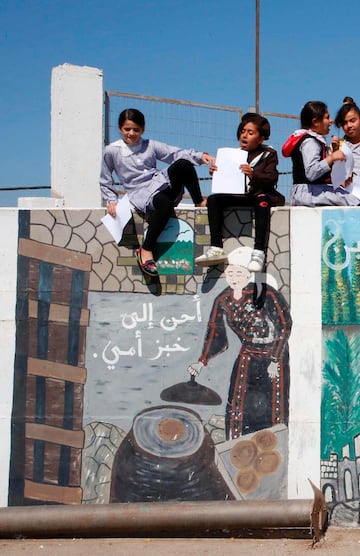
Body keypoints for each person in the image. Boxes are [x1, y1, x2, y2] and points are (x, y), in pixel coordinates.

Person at [188, 247, 292, 439]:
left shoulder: (267, 294)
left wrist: (276, 360)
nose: (234, 277)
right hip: (247, 354)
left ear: (248, 275)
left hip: (273, 356)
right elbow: (214, 331)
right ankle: (237, 448)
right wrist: (201, 362)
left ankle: (274, 448)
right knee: (238, 402)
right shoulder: (223, 299)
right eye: (230, 273)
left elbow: (284, 326)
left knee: (273, 405)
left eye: (239, 273)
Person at [100, 108, 213, 277]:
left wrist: (201, 156)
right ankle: (146, 250)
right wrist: (111, 199)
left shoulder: (150, 145)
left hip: (159, 182)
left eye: (136, 130)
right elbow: (105, 177)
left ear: (143, 129)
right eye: (127, 129)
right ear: (120, 128)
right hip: (140, 194)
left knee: (183, 163)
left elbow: (174, 153)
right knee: (164, 203)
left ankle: (198, 201)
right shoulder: (111, 150)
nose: (131, 133)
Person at [195, 113, 285, 272]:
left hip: (260, 195)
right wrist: (216, 171)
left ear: (261, 139)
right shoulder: (233, 154)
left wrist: (253, 174)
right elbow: (227, 179)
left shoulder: (269, 153)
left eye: (251, 133)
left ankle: (258, 252)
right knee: (214, 200)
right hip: (241, 195)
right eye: (243, 131)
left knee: (262, 200)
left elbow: (272, 177)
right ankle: (216, 246)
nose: (244, 135)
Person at [284, 101, 360, 207]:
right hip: (308, 193)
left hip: (312, 190)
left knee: (348, 196)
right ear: (316, 122)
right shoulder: (310, 142)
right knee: (353, 201)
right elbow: (311, 173)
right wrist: (331, 158)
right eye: (327, 117)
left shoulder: (316, 141)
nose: (331, 121)